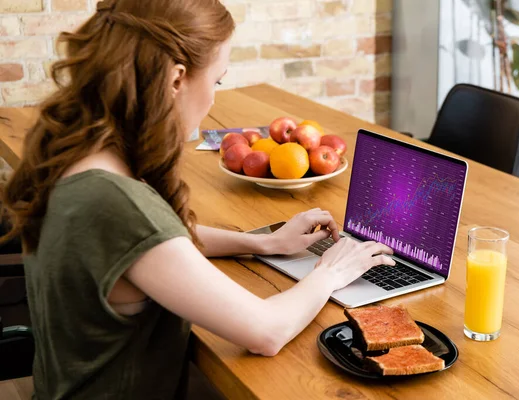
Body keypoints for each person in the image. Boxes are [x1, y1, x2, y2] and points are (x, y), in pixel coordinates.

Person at [0, 0, 395, 398]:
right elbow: (266, 331)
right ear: (176, 79)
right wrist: (332, 270)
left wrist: (261, 243)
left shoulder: (77, 153)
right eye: (217, 81)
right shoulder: (115, 204)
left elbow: (152, 245)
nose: (213, 101)